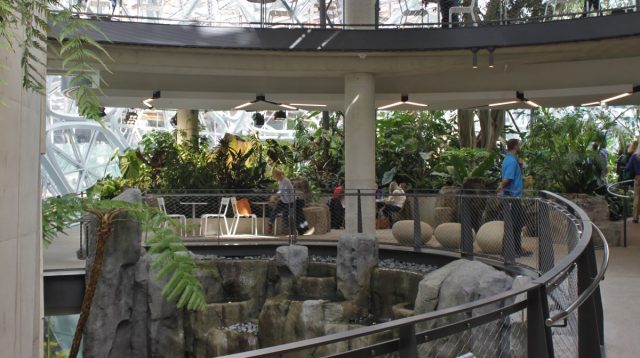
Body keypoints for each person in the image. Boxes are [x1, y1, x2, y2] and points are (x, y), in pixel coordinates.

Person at [497, 138, 531, 257]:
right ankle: (509, 251)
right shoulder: (511, 160)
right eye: (519, 145)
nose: (520, 147)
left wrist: (520, 167)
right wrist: (500, 187)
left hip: (514, 196)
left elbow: (513, 176)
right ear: (515, 146)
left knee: (516, 224)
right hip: (511, 197)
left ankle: (517, 249)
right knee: (512, 224)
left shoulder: (511, 159)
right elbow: (508, 178)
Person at [267, 168, 295, 234]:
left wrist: (274, 197)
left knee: (286, 215)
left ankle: (292, 230)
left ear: (279, 175)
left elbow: (282, 192)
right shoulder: (280, 181)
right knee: (275, 210)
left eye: (275, 176)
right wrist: (274, 197)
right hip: (283, 200)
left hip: (290, 202)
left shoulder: (286, 181)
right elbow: (280, 191)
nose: (275, 178)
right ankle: (270, 223)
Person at [624, 143, 640, 223]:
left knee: (637, 197)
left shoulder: (634, 156)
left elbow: (628, 167)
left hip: (638, 178)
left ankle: (635, 217)